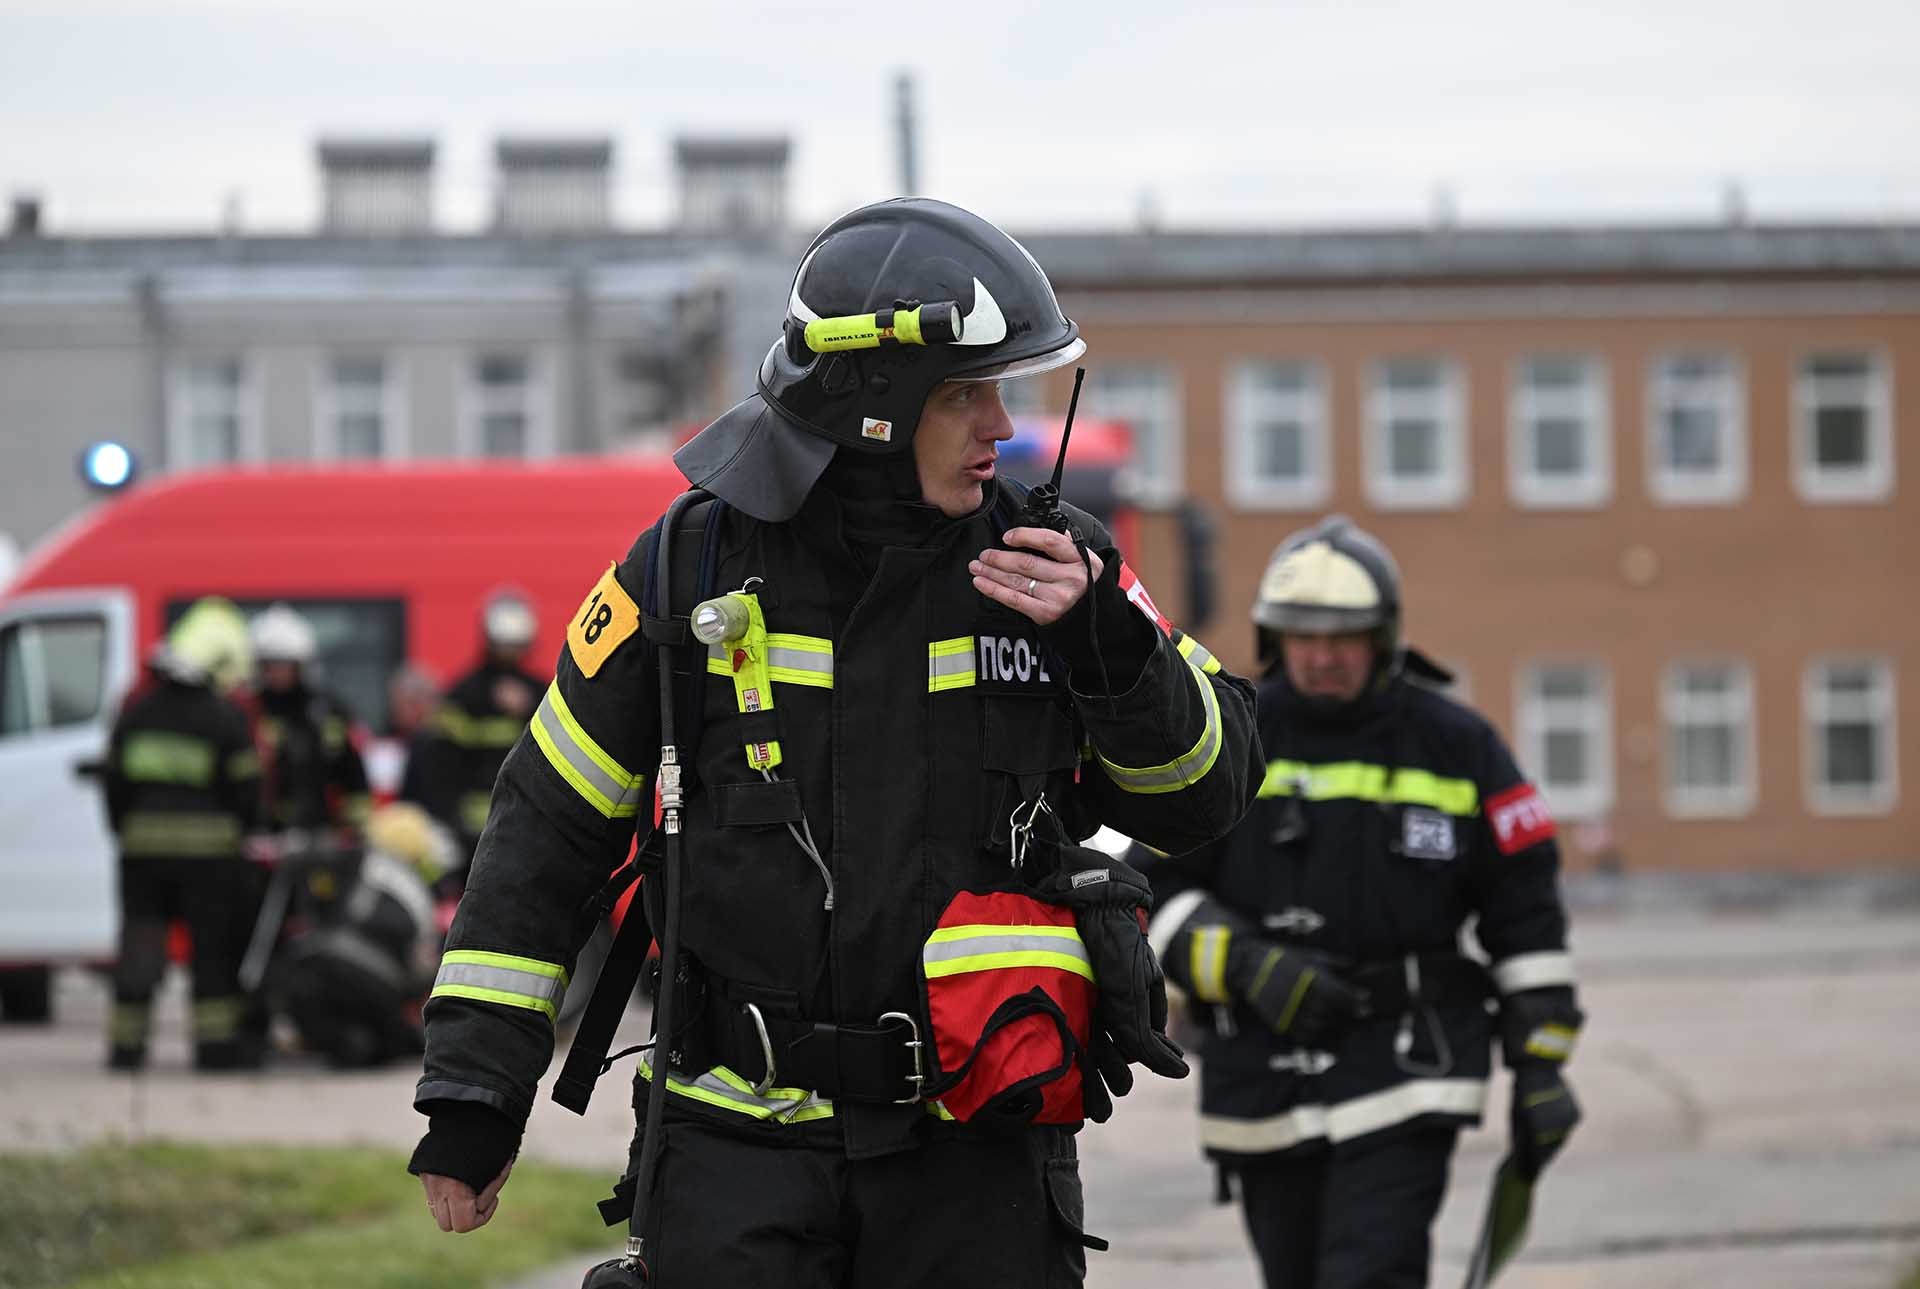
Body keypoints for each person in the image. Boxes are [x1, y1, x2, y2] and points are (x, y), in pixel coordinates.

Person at [408, 197, 1263, 1285]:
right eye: (968, 394)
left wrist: (1111, 646)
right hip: (736, 1156)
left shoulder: (1055, 563)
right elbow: (546, 828)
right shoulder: (686, 568)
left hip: (977, 1160)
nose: (1003, 427)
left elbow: (1212, 789)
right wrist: (476, 1097)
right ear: (876, 402)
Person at [1136, 516, 1584, 1289]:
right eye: (1301, 635)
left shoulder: (1456, 744)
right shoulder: (1226, 736)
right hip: (1265, 1074)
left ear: (1384, 635)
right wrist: (1246, 964)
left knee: (1369, 1273)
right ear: (1274, 636)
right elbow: (1154, 888)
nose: (1321, 655)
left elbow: (1525, 908)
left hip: (1410, 1066)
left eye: (1343, 635)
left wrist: (1541, 1064)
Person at [101, 598, 264, 1070]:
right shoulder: (225, 717)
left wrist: (125, 832)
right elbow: (247, 790)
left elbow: (113, 785)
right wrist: (239, 834)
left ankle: (126, 1050)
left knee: (140, 948)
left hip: (142, 854)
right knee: (210, 952)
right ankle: (215, 1051)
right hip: (210, 859)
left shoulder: (135, 712)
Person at [421, 589, 544, 872]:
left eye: (517, 645)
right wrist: (445, 824)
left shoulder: (542, 693)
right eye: (505, 645)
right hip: (472, 836)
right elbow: (441, 766)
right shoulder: (463, 697)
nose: (511, 653)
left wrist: (527, 710)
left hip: (532, 827)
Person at [250, 603, 371, 834]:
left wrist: (355, 831)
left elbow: (353, 775)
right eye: (271, 664)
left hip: (322, 832)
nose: (278, 672)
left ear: (300, 665)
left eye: (285, 664)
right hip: (267, 834)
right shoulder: (249, 712)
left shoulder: (327, 712)